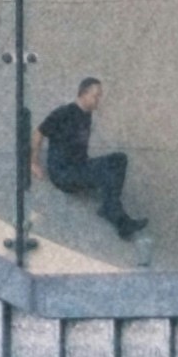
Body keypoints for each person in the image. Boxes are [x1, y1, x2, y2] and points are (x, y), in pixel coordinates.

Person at [37, 77, 140, 238]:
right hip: (63, 174)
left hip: (80, 166)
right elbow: (38, 133)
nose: (99, 100)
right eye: (96, 96)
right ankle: (117, 217)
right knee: (107, 173)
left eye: (99, 96)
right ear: (84, 93)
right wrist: (33, 163)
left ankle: (110, 207)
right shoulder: (63, 113)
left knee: (120, 159)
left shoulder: (87, 114)